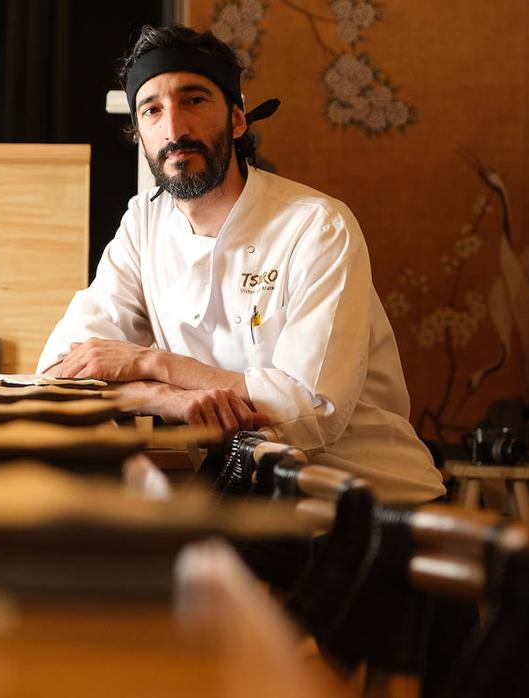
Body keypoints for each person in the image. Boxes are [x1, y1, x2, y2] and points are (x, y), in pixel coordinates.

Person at [38, 24, 443, 503]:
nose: (173, 128)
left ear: (236, 119)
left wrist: (151, 362)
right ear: (138, 134)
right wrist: (163, 398)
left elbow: (310, 411)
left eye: (193, 100)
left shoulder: (316, 226)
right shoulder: (143, 223)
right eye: (152, 110)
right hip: (242, 498)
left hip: (367, 504)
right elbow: (59, 372)